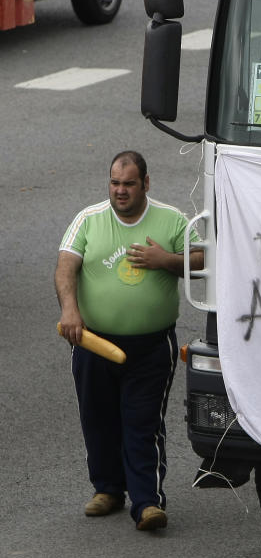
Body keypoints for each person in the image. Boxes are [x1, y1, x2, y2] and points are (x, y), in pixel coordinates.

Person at [54, 151, 202, 531]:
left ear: (146, 184)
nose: (121, 191)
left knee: (142, 422)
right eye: (115, 183)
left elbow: (203, 258)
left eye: (129, 184)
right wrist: (70, 311)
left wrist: (165, 259)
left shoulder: (171, 219)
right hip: (93, 343)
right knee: (98, 418)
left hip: (151, 346)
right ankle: (107, 490)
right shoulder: (88, 220)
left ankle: (147, 502)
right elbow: (65, 266)